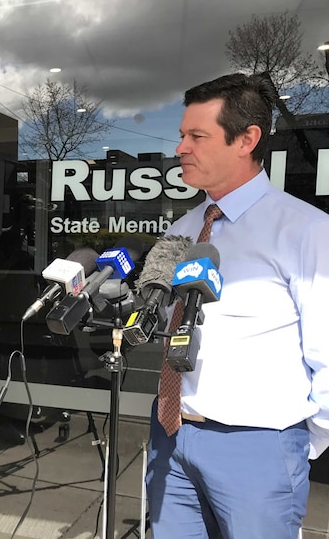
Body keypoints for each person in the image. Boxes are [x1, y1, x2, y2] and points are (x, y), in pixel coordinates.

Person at [145, 72, 329, 538]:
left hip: (259, 446)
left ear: (247, 139)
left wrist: (297, 444)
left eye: (197, 136)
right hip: (170, 435)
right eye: (182, 135)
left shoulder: (306, 230)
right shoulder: (183, 229)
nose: (181, 148)